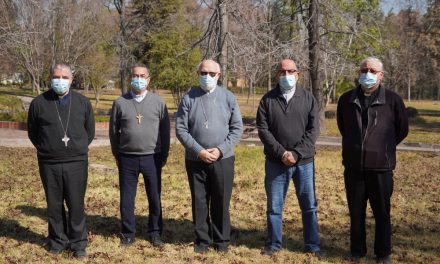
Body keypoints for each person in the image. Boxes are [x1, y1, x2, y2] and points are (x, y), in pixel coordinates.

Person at [337, 57, 409, 264]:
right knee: (356, 213)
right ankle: (356, 252)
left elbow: (402, 130)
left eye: (372, 70)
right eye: (364, 69)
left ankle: (383, 253)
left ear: (381, 75)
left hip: (381, 167)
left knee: (382, 213)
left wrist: (383, 146)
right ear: (358, 72)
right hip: (354, 167)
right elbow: (343, 128)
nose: (367, 73)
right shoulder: (346, 99)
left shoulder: (393, 100)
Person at [27, 63, 95, 259]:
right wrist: (47, 148)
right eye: (57, 77)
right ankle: (57, 240)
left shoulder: (83, 103)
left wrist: (76, 148)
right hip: (49, 162)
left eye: (65, 77)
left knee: (76, 203)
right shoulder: (39, 103)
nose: (60, 81)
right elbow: (33, 132)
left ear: (72, 80)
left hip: (76, 162)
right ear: (50, 78)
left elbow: (89, 132)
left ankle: (78, 243)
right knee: (54, 204)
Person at [176, 59, 243, 253]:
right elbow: (181, 129)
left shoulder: (229, 97)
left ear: (219, 75)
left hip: (223, 158)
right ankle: (202, 241)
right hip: (195, 159)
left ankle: (221, 241)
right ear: (198, 73)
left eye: (211, 74)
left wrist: (221, 149)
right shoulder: (188, 98)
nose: (207, 77)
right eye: (203, 73)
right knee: (199, 200)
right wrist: (199, 151)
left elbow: (237, 127)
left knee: (221, 200)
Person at [256, 59, 321, 257]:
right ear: (277, 75)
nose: (287, 76)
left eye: (291, 71)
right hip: (276, 163)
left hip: (304, 163)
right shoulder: (267, 100)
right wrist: (282, 153)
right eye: (283, 72)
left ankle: (313, 246)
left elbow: (313, 130)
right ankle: (274, 245)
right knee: (274, 207)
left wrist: (296, 153)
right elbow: (263, 130)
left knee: (309, 206)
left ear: (298, 74)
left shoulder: (308, 98)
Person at [109, 63, 170, 248]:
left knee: (154, 196)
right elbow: (113, 132)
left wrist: (164, 154)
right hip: (127, 157)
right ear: (130, 78)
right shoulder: (120, 102)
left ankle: (155, 233)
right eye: (135, 75)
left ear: (148, 79)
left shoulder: (159, 103)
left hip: (152, 156)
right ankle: (128, 233)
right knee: (127, 198)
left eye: (142, 76)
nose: (138, 79)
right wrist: (117, 154)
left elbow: (165, 131)